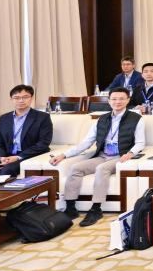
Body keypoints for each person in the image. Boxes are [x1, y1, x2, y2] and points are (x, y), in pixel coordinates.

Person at [51, 87, 145, 227]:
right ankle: (70, 208)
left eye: (121, 99)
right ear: (109, 101)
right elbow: (86, 142)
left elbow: (140, 143)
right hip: (102, 155)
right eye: (114, 99)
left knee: (102, 168)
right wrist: (64, 155)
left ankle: (96, 209)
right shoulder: (102, 119)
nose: (117, 102)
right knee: (76, 168)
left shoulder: (136, 119)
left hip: (120, 157)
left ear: (128, 100)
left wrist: (130, 153)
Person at [0, 85, 53, 180]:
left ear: (31, 98)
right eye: (16, 98)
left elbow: (43, 143)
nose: (21, 100)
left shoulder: (43, 117)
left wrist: (18, 157)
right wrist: (1, 157)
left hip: (28, 156)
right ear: (11, 99)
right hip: (6, 156)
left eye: (25, 97)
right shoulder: (4, 118)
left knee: (6, 171)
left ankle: (2, 190)